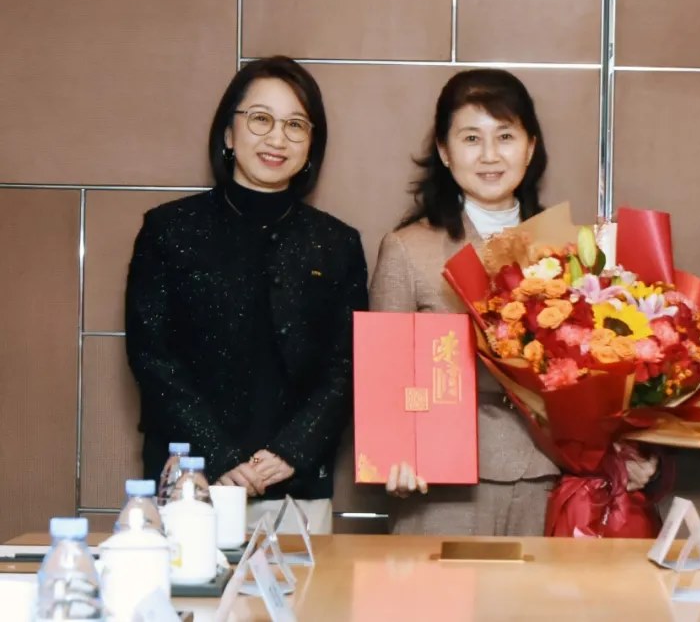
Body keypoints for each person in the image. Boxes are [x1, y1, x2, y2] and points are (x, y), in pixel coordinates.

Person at [370, 68, 655, 535]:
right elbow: (385, 376)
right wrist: (392, 456)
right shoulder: (408, 249)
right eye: (471, 138)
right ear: (444, 151)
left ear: (530, 147)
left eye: (505, 136)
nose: (489, 155)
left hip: (551, 477)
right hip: (441, 483)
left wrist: (625, 447)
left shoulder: (571, 250)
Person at [125, 56, 368, 534]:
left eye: (295, 125)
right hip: (191, 483)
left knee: (304, 586)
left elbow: (346, 364)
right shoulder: (169, 230)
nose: (277, 138)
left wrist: (291, 451)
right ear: (229, 134)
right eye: (260, 119)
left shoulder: (337, 243)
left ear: (311, 144)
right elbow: (152, 358)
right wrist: (220, 455)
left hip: (295, 485)